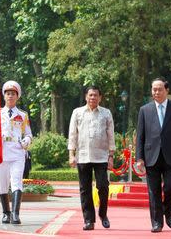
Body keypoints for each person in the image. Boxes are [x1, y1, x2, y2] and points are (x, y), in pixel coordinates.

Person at [135, 77, 171, 233]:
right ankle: (157, 223)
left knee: (170, 188)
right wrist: (139, 158)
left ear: (167, 90)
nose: (156, 92)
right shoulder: (145, 110)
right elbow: (141, 136)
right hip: (151, 157)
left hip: (170, 157)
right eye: (154, 89)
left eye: (159, 89)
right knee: (153, 192)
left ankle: (168, 212)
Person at [68, 86, 115, 231]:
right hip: (83, 156)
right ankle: (89, 220)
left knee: (103, 186)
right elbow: (72, 134)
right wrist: (71, 154)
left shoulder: (106, 113)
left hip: (101, 156)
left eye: (95, 95)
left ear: (100, 98)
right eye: (90, 95)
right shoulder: (77, 112)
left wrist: (111, 156)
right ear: (86, 97)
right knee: (85, 190)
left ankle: (103, 214)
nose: (93, 98)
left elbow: (111, 135)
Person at [0, 80, 32, 225]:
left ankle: (15, 214)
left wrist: (27, 141)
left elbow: (29, 134)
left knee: (17, 182)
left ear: (17, 97)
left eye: (13, 94)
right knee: (3, 183)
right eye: (7, 93)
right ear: (4, 96)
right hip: (1, 152)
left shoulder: (23, 115)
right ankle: (6, 213)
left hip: (17, 152)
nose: (10, 96)